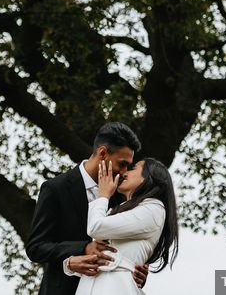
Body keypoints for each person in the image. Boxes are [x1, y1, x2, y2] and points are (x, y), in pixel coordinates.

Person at [26, 122, 150, 295]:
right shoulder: (55, 188)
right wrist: (79, 251)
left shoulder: (122, 197)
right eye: (121, 164)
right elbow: (36, 247)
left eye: (128, 166)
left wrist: (136, 269)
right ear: (103, 153)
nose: (124, 172)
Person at [74, 157, 179, 295]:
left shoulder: (154, 209)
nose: (124, 173)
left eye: (134, 168)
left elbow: (95, 227)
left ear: (150, 177)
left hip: (115, 287)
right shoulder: (117, 210)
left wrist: (103, 196)